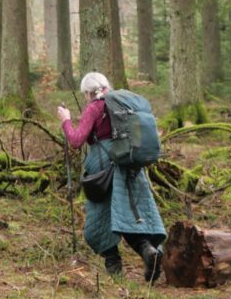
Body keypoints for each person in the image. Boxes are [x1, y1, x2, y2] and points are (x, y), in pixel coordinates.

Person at [56, 72, 166, 282]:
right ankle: (148, 250)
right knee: (131, 214)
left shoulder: (95, 107)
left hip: (103, 168)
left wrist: (66, 121)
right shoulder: (123, 102)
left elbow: (77, 140)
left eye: (85, 94)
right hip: (131, 165)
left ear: (88, 92)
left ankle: (114, 269)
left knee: (100, 219)